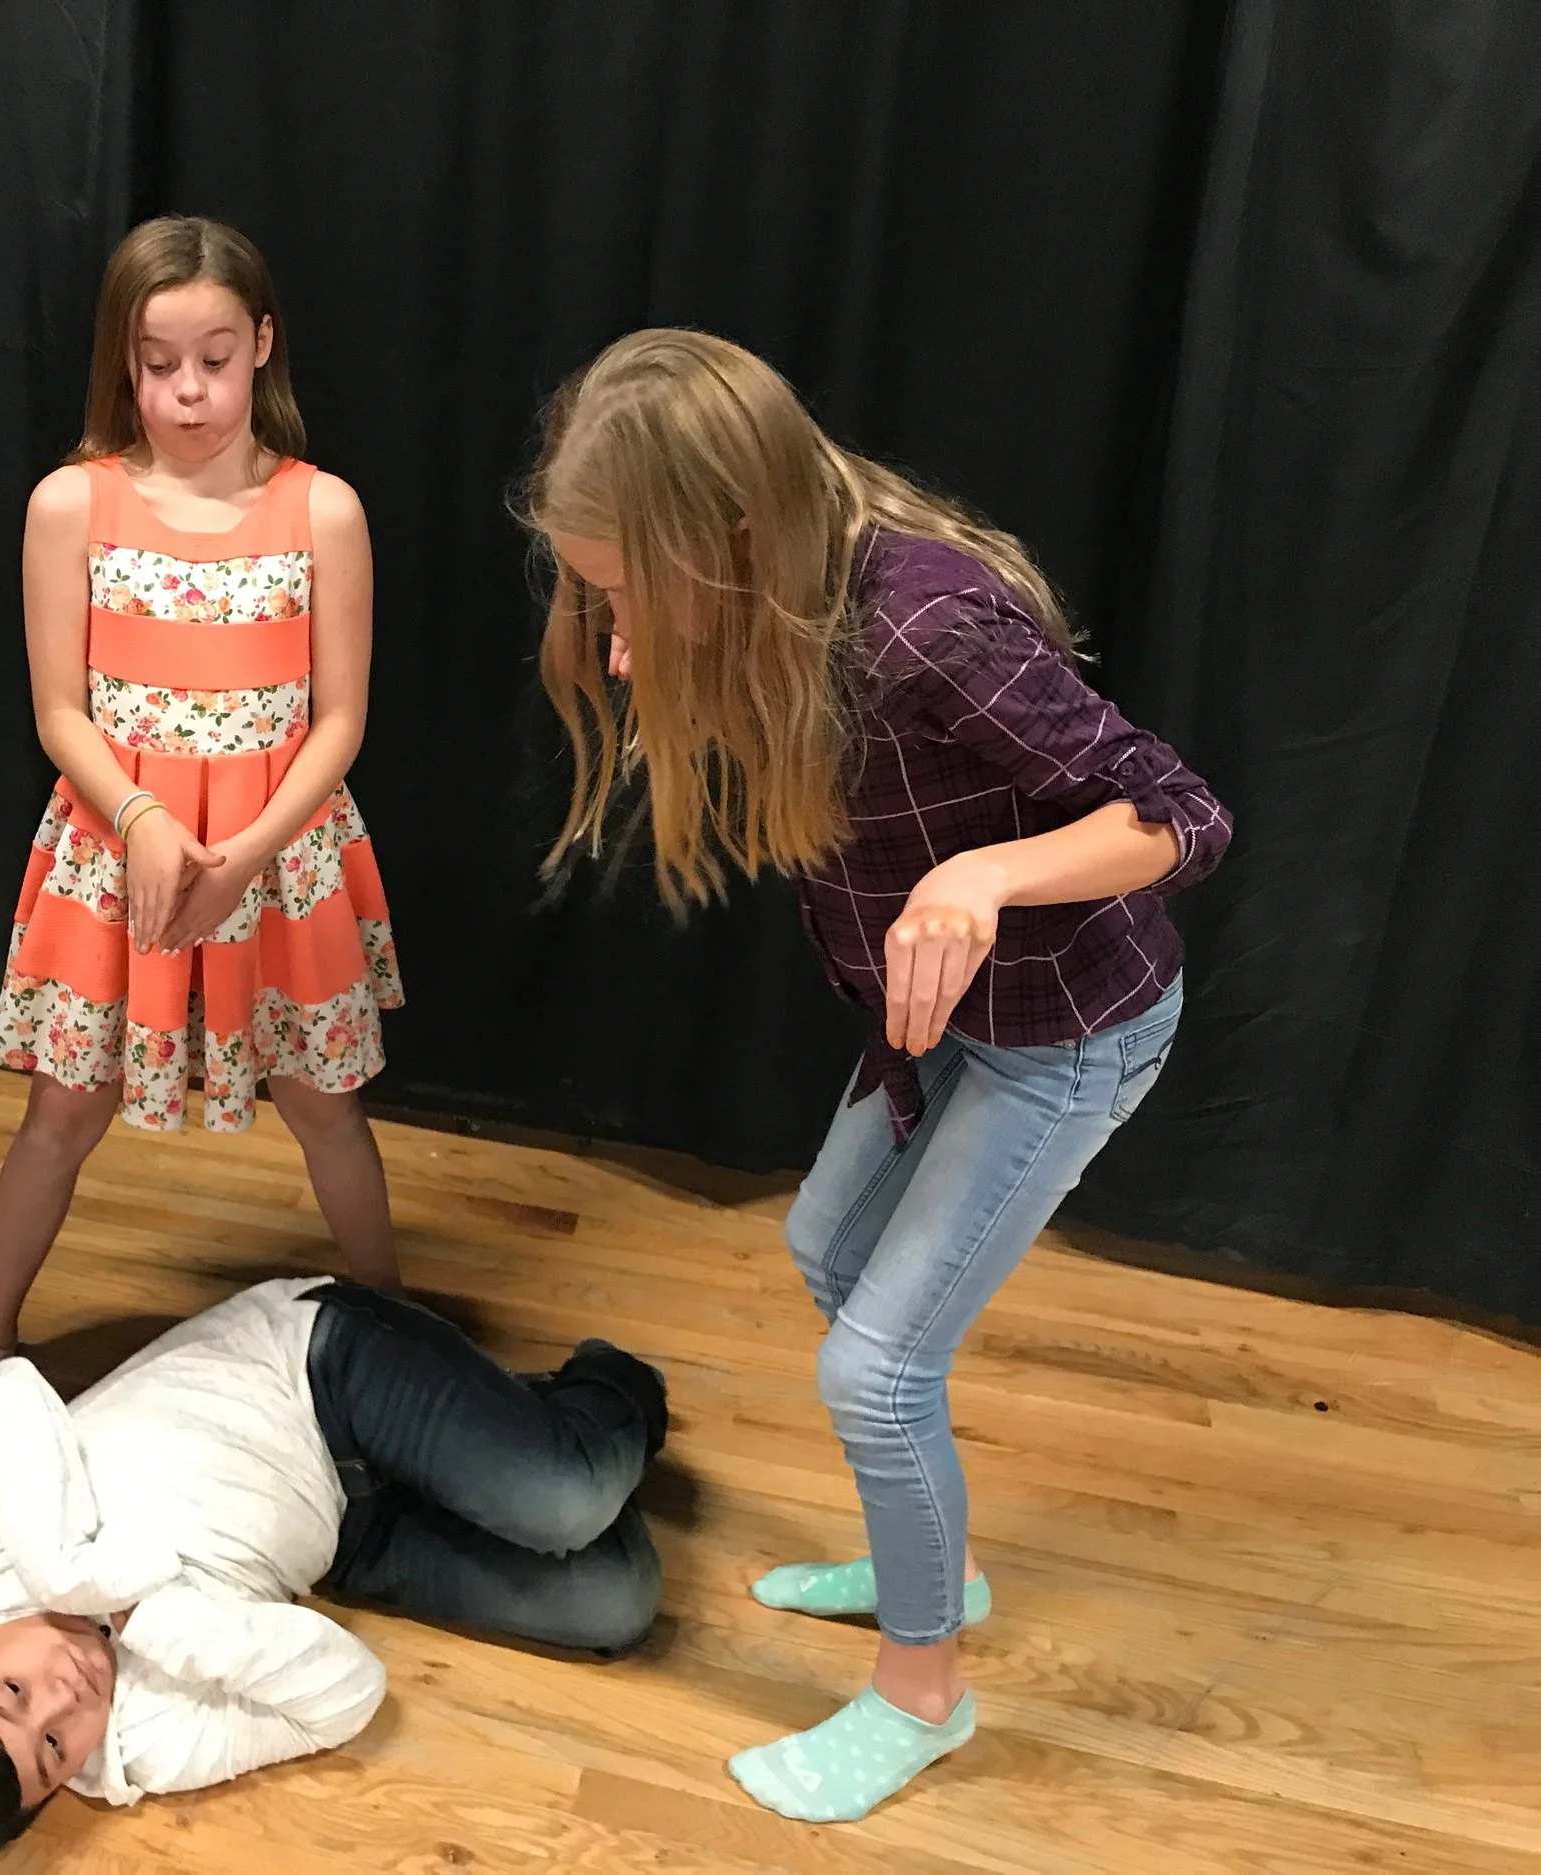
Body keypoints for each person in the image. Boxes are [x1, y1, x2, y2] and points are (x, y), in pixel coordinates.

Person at [523, 330, 1232, 1822]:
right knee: (826, 1250)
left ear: (726, 533)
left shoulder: (927, 628)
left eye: (629, 592)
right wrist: (664, 641)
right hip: (943, 1024)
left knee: (876, 1369)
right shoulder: (777, 590)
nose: (617, 641)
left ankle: (924, 1690)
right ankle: (938, 1560)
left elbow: (1180, 813)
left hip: (1069, 1031)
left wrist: (982, 876)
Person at [0, 217, 406, 1441]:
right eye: (158, 362)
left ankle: (399, 1340)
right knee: (62, 1112)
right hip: (115, 856)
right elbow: (59, 711)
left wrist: (248, 855)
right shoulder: (72, 503)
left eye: (214, 360)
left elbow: (338, 720)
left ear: (261, 345)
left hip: (280, 861)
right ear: (121, 361)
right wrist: (142, 821)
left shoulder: (323, 511)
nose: (188, 392)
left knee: (325, 1102)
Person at [0, 1276, 667, 1862]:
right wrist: (155, 1621)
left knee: (567, 1498)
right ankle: (507, 1430)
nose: (66, 1698)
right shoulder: (147, 1748)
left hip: (311, 1368)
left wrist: (64, 1573)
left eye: (12, 1692)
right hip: (341, 1533)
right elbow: (349, 1695)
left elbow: (7, 1392)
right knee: (615, 1602)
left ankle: (608, 1392)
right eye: (54, 1748)